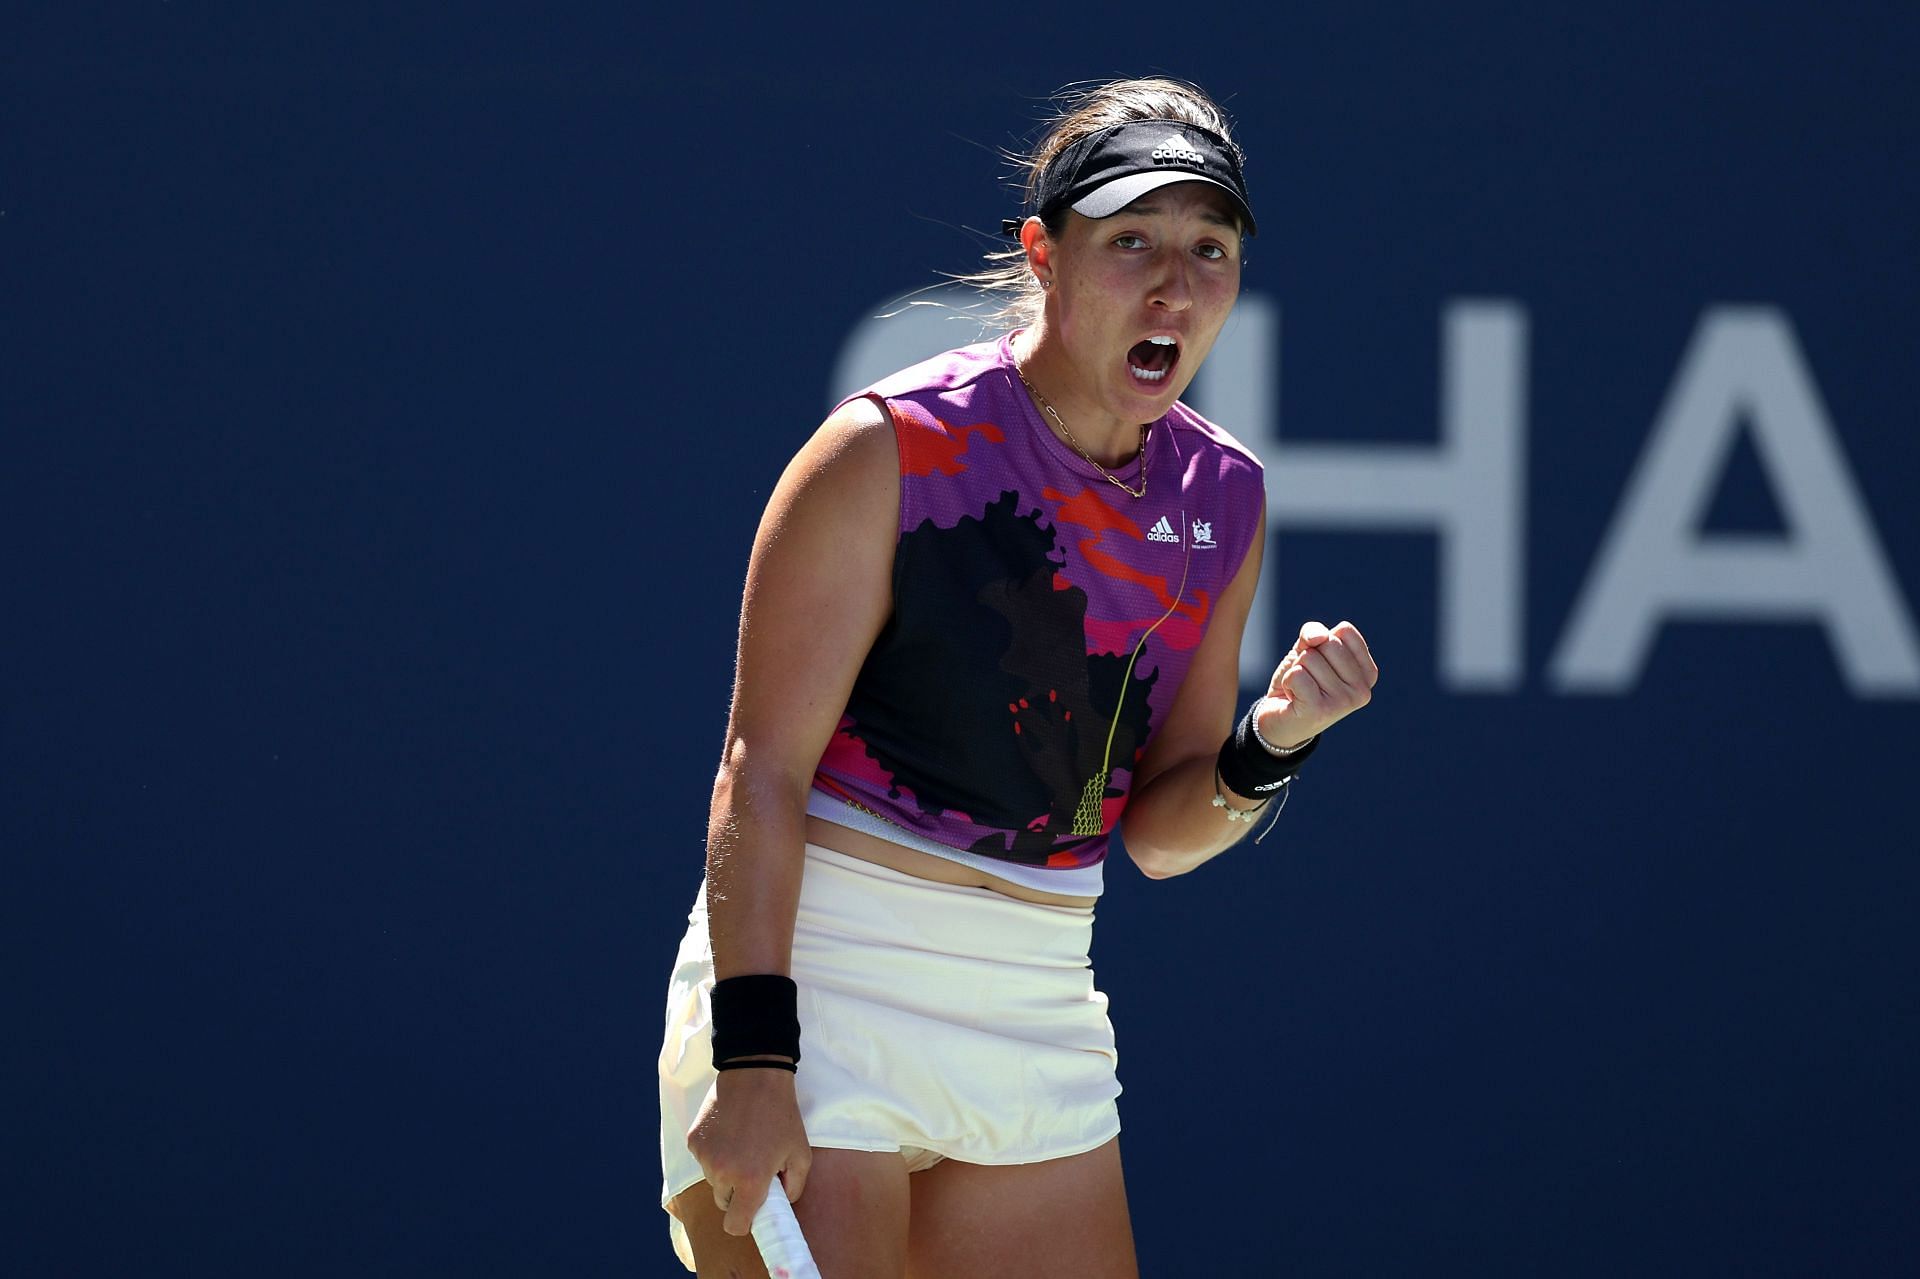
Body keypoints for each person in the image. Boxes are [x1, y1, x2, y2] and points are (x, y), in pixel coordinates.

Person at [657, 76, 1378, 1278]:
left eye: (1209, 248)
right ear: (1042, 254)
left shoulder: (1226, 497)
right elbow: (761, 769)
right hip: (823, 983)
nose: (1175, 286)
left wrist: (1272, 745)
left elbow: (1159, 831)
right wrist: (754, 1062)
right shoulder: (887, 447)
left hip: (1038, 1000)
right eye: (1131, 241)